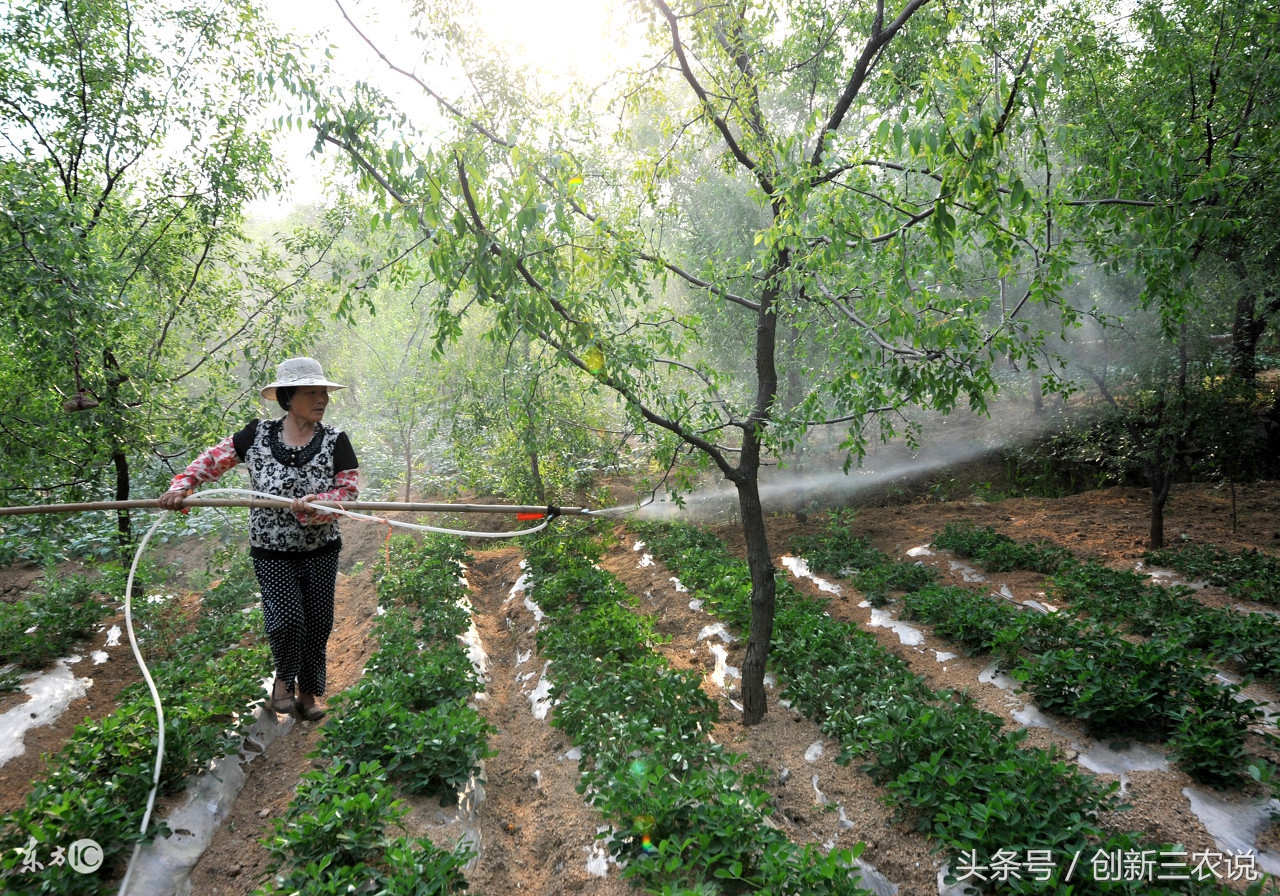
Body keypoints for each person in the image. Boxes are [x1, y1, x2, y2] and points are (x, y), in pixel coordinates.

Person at [158, 357, 359, 721]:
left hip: (321, 549)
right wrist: (182, 486)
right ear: (287, 397)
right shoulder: (256, 435)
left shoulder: (335, 440)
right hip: (272, 551)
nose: (321, 399)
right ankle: (283, 680)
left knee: (317, 623)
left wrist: (323, 504)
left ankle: (309, 694)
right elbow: (211, 461)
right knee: (287, 620)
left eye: (323, 392)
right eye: (311, 392)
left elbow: (349, 493)